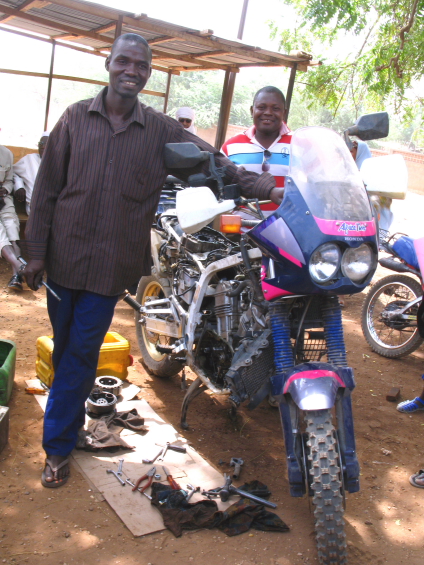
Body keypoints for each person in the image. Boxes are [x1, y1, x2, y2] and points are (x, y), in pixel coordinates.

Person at [22, 33, 282, 488]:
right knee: (66, 350)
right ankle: (71, 421)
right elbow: (45, 192)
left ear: (147, 72)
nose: (131, 70)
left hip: (109, 266)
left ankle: (57, 448)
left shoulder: (160, 129)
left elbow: (216, 161)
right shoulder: (74, 119)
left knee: (83, 350)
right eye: (124, 61)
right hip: (64, 260)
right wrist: (36, 254)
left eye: (141, 65)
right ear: (109, 63)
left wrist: (266, 188)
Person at [221, 85, 291, 216]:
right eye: (261, 107)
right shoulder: (230, 146)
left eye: (275, 108)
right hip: (238, 232)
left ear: (284, 112)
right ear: (252, 110)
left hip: (287, 232)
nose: (268, 113)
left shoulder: (299, 146)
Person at [0, 143, 23, 290]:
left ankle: (17, 276)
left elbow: (9, 180)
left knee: (12, 226)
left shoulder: (6, 153)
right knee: (0, 232)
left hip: (3, 198)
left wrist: (4, 189)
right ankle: (20, 266)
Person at [13, 132, 49, 216]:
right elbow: (13, 172)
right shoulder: (29, 159)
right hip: (34, 208)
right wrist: (19, 186)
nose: (43, 146)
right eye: (41, 143)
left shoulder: (59, 163)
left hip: (53, 207)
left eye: (47, 144)